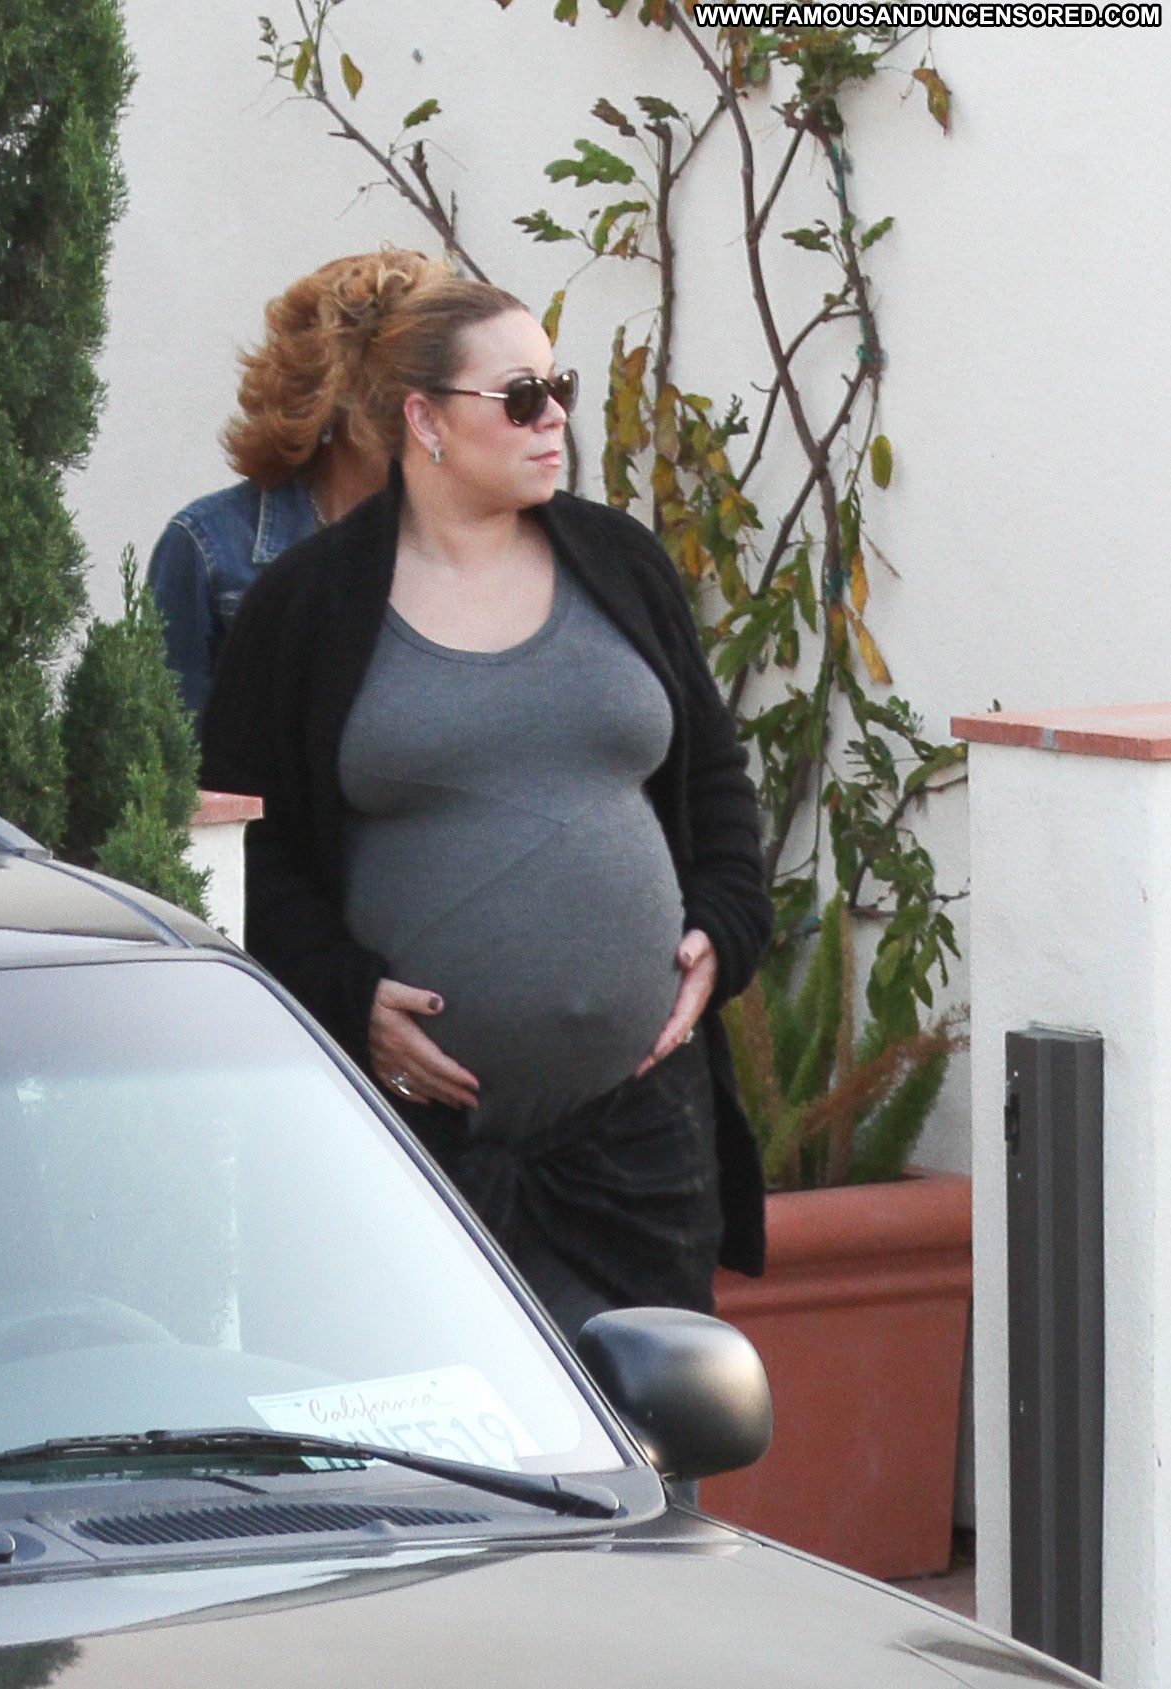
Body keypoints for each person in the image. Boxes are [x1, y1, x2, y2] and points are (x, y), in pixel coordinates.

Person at [200, 278, 772, 1338]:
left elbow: (712, 777)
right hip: (411, 1151)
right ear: (422, 418)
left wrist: (724, 927)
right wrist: (344, 994)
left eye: (559, 388)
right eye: (518, 397)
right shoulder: (309, 606)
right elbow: (245, 846)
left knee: (646, 1426)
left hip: (637, 1151)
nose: (553, 418)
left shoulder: (619, 565)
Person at [146, 248, 442, 713]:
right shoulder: (210, 546)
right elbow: (166, 745)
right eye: (404, 392)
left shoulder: (458, 543)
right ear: (335, 395)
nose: (430, 418)